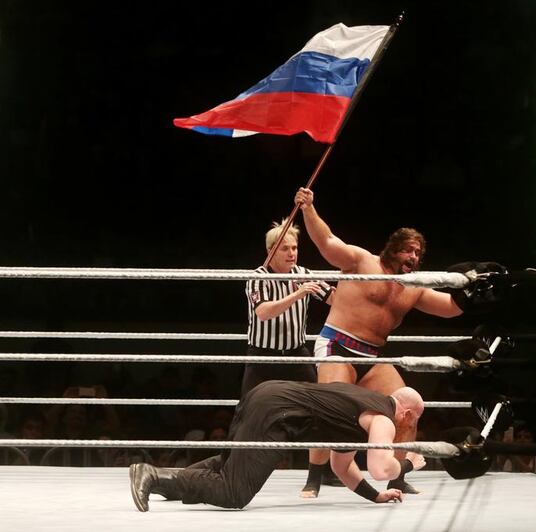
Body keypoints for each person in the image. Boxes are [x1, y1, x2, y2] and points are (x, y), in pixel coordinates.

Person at [293, 187, 466, 496]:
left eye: (417, 253)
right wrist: (309, 209)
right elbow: (327, 241)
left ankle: (396, 478)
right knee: (330, 409)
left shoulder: (413, 288)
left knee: (408, 406)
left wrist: (474, 287)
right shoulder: (362, 262)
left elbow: (451, 308)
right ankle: (314, 476)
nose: (413, 257)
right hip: (338, 345)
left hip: (372, 356)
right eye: (408, 250)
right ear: (393, 248)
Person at [129, 381, 427, 512]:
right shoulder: (384, 418)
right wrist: (408, 464)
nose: (408, 429)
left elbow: (342, 467)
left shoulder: (363, 405)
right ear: (408, 414)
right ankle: (152, 475)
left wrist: (375, 497)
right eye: (412, 423)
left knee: (228, 466)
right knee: (234, 493)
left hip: (267, 395)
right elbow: (380, 467)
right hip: (278, 413)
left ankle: (163, 483)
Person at [242, 218, 334, 397]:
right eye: (285, 249)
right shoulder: (258, 277)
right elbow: (263, 312)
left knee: (318, 402)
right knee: (249, 406)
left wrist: (352, 280)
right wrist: (297, 294)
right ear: (271, 251)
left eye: (294, 248)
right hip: (262, 355)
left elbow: (333, 299)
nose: (291, 253)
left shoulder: (304, 274)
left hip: (296, 353)